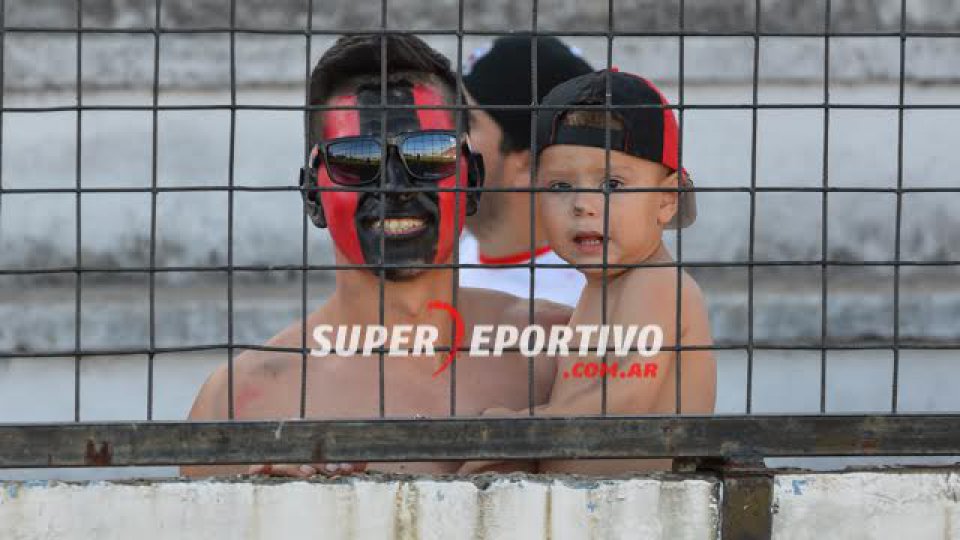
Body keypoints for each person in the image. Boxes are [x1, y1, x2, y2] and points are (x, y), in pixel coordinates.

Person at [182, 34, 569, 478]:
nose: (395, 188)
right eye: (357, 160)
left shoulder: (563, 350)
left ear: (473, 182)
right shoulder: (242, 400)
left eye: (429, 155)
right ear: (312, 196)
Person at [460, 70, 717, 475]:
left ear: (666, 200)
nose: (583, 204)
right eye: (560, 187)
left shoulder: (657, 283)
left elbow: (623, 398)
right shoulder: (600, 289)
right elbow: (579, 396)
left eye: (612, 184)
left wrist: (519, 426)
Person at [459, 36, 594, 306]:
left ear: (529, 167)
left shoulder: (576, 310)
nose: (441, 133)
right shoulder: (453, 249)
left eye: (465, 120)